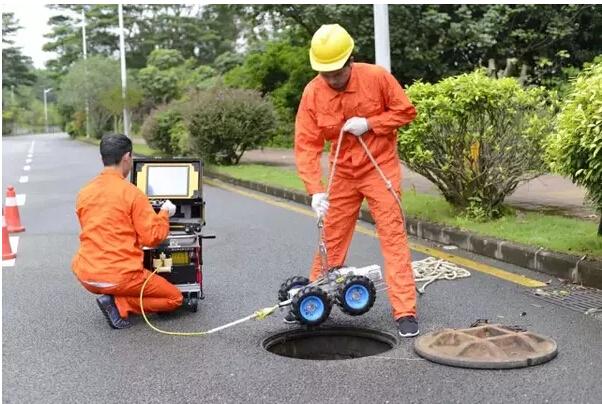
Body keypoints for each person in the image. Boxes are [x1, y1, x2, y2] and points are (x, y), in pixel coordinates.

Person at [294, 24, 419, 337]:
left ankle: (404, 311)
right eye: (326, 74)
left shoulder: (376, 77)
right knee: (331, 239)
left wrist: (372, 123)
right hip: (342, 173)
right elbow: (306, 144)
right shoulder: (313, 93)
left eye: (337, 71)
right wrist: (315, 191)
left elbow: (405, 112)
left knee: (392, 237)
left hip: (379, 168)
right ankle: (311, 301)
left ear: (350, 59)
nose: (333, 79)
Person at [72, 133, 183, 329]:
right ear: (127, 157)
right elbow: (152, 237)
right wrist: (164, 212)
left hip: (86, 274)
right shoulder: (132, 193)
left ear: (102, 159)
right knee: (174, 298)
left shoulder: (84, 192)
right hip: (120, 276)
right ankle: (120, 303)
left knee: (123, 276)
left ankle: (115, 297)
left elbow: (101, 228)